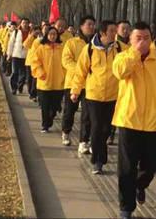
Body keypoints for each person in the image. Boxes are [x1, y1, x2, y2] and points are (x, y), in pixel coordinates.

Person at [112, 22, 156, 219]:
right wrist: (134, 54)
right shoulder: (123, 57)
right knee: (126, 168)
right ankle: (126, 207)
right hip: (128, 120)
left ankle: (140, 185)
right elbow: (120, 72)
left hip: (154, 122)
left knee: (150, 165)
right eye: (138, 38)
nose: (143, 42)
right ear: (130, 40)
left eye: (146, 38)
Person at [70, 20, 120, 174]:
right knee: (97, 127)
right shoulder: (89, 49)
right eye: (112, 31)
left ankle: (98, 151)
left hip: (113, 95)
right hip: (94, 95)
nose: (115, 34)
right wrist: (75, 91)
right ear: (103, 33)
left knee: (106, 129)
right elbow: (81, 72)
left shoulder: (120, 49)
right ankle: (98, 160)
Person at [61, 15, 96, 148]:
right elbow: (66, 60)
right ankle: (66, 132)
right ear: (81, 26)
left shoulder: (95, 44)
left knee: (87, 115)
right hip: (73, 82)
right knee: (70, 111)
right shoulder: (72, 42)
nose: (91, 27)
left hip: (90, 84)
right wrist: (81, 69)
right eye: (89, 24)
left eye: (93, 25)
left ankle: (84, 141)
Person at [30, 26, 66, 133]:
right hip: (44, 82)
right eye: (50, 34)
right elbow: (35, 62)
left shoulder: (62, 48)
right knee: (45, 106)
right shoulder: (41, 48)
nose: (53, 36)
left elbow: (66, 63)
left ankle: (50, 118)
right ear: (47, 35)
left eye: (54, 34)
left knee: (55, 106)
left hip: (58, 83)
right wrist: (40, 72)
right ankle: (45, 125)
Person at [7, 18, 32, 95]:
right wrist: (9, 54)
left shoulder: (31, 33)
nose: (25, 24)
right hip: (16, 55)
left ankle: (20, 86)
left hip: (26, 56)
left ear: (28, 24)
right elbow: (11, 44)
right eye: (23, 23)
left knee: (23, 74)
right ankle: (14, 88)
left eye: (26, 23)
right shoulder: (16, 32)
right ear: (20, 24)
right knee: (15, 72)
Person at [24, 25, 44, 102]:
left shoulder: (42, 38)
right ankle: (30, 92)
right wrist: (32, 36)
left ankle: (34, 94)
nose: (37, 32)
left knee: (35, 78)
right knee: (29, 78)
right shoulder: (31, 37)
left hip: (38, 62)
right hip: (30, 61)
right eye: (36, 30)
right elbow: (25, 45)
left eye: (39, 30)